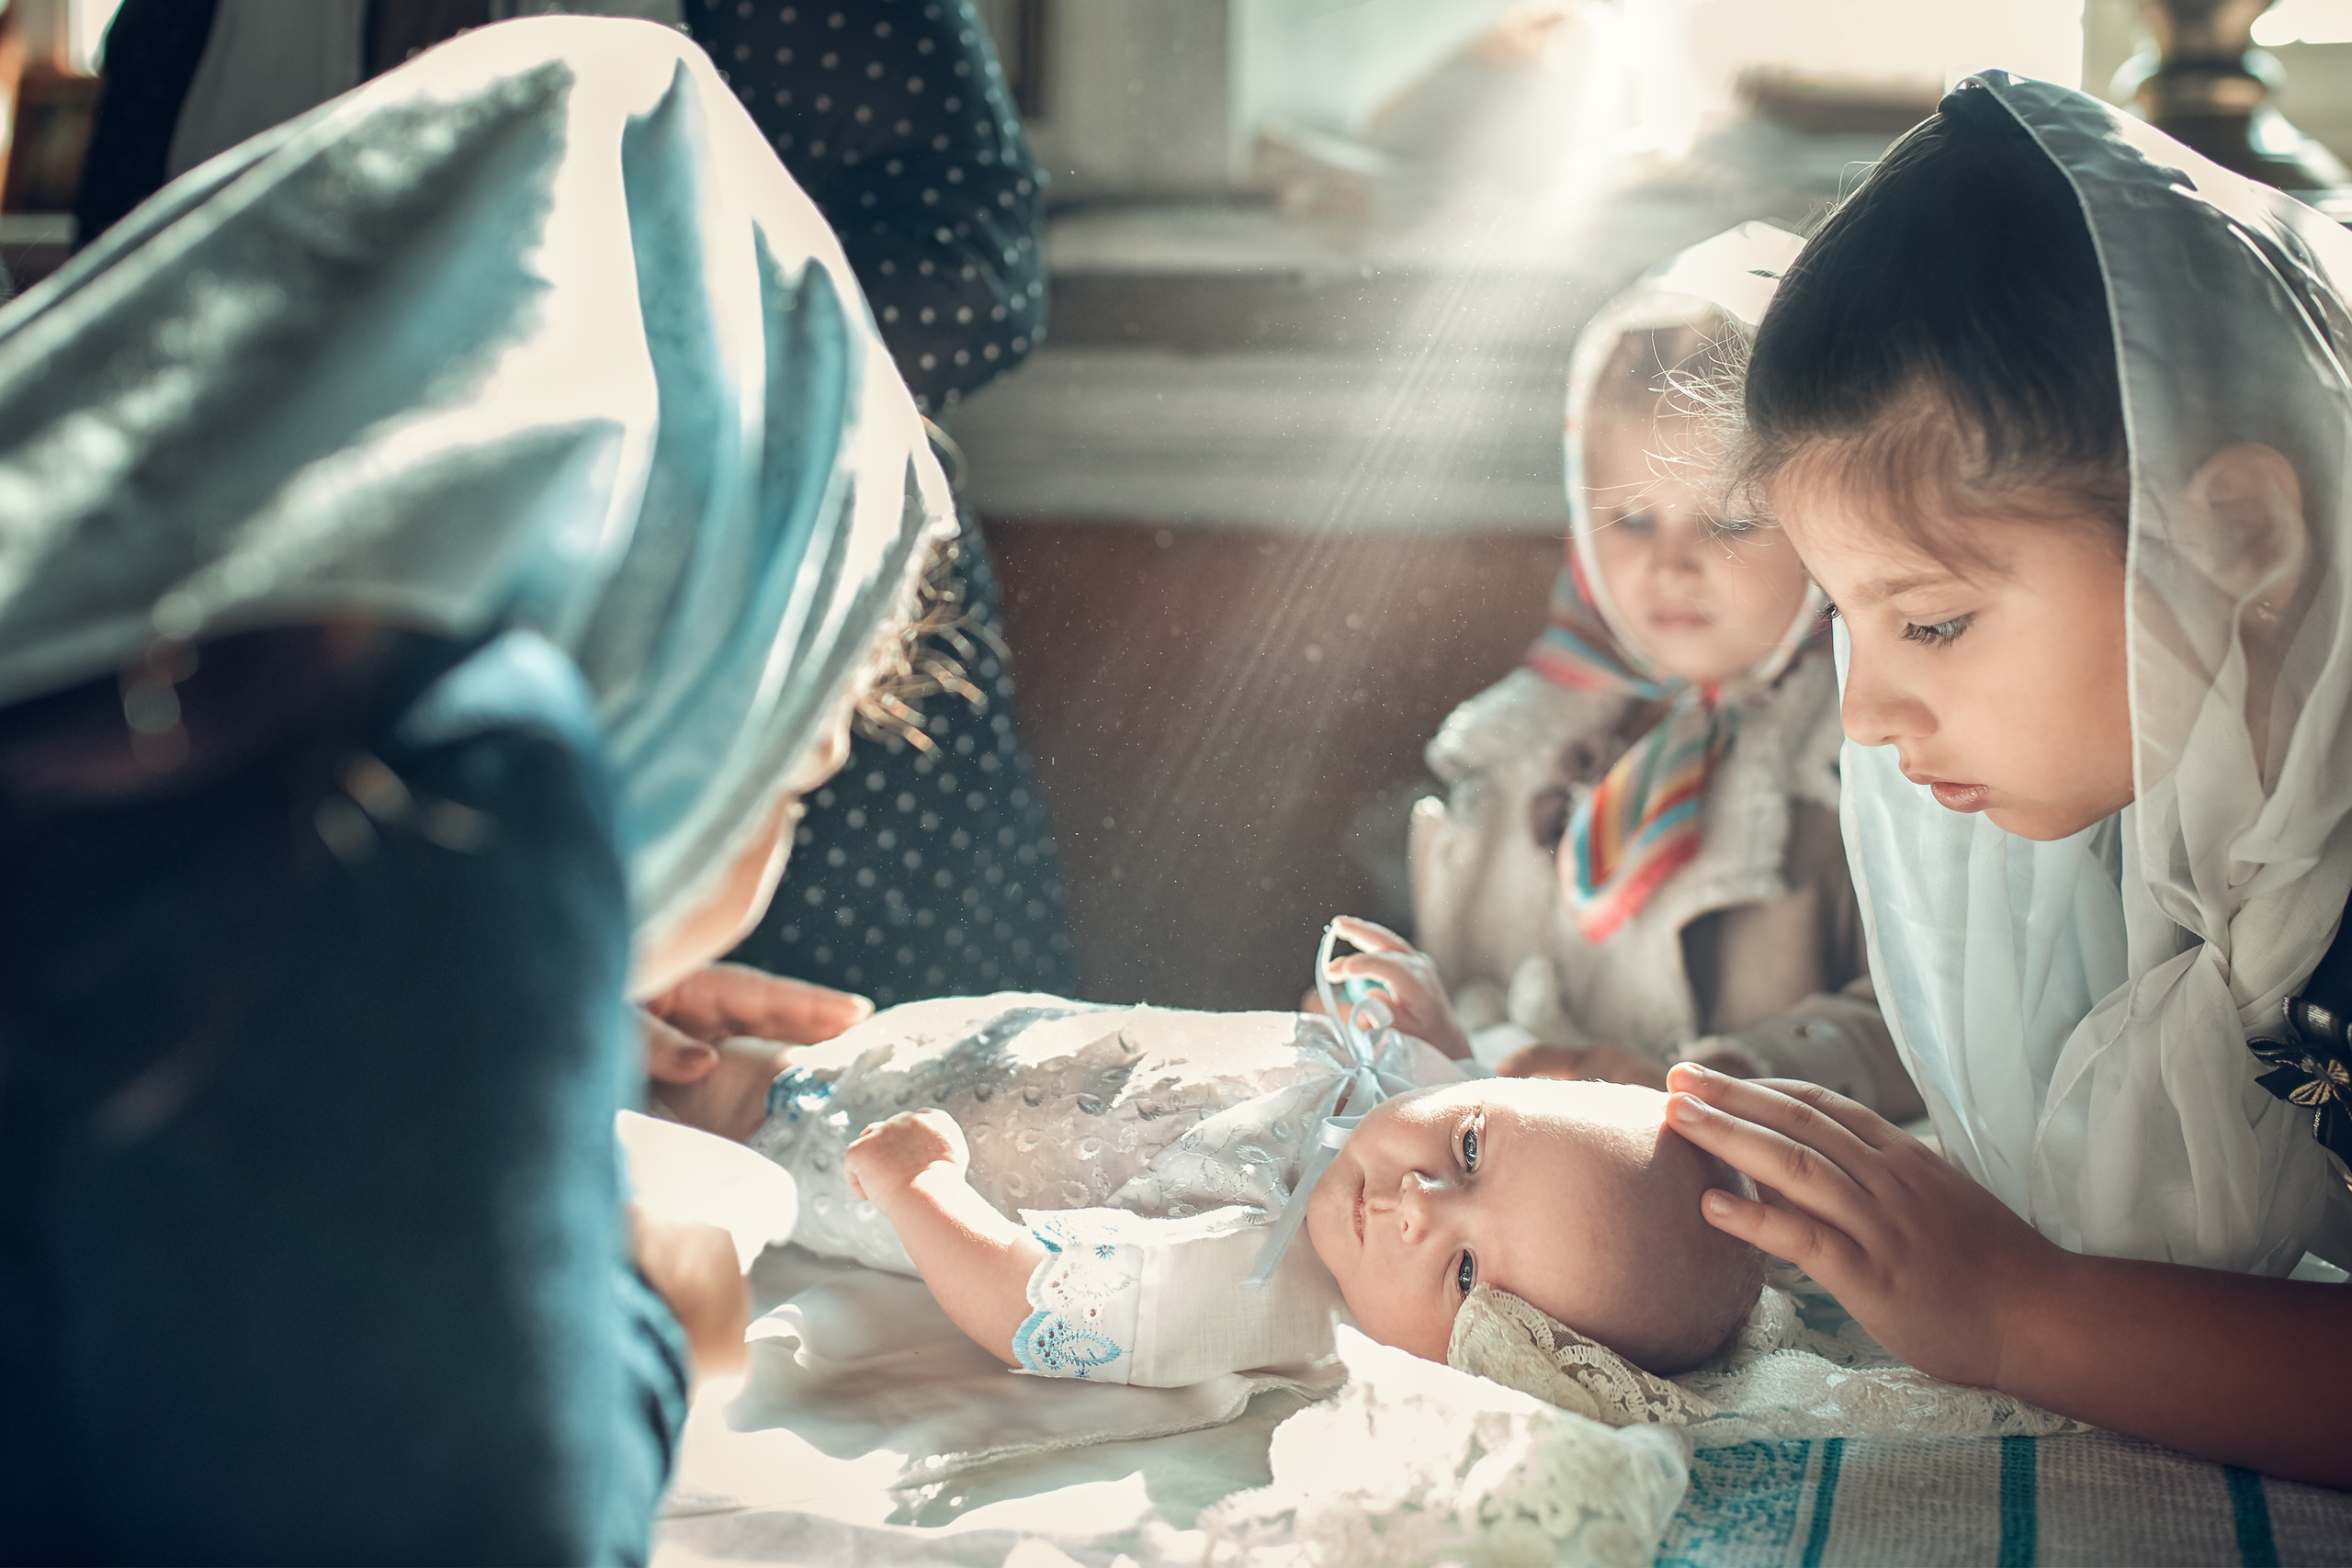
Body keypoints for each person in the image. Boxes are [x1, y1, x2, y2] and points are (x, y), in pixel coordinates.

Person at [0, 17, 952, 1561]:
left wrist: (513, 1059)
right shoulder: (436, 774)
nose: (775, 826)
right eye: (804, 762)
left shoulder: (131, 707)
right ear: (680, 634)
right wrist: (637, 1302)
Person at [1660, 73, 2352, 1487]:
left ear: (2235, 541)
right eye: (1843, 623)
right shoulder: (2221, 828)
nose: (1866, 712)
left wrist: (2015, 1309)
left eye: (1933, 621)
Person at [697, 921, 1765, 1388]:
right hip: (970, 1041)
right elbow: (1397, 1038)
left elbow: (1035, 1312)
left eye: (1466, 1273)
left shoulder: (1253, 1291)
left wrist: (922, 1187)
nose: (1414, 1202)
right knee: (721, 1020)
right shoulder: (1426, 1097)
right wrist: (1409, 1006)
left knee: (701, 1094)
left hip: (839, 1145)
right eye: (1473, 1150)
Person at [1411, 224, 1921, 1120]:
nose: (1669, 567)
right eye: (1632, 522)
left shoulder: (1863, 750)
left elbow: (1930, 1022)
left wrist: (1724, 1078)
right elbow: (1469, 972)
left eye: (1726, 524)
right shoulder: (1528, 734)